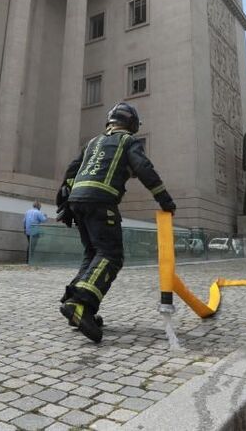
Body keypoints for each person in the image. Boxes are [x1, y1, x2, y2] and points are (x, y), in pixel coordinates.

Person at [56, 102, 176, 343]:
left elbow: (71, 171)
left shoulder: (92, 142)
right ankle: (80, 302)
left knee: (93, 253)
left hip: (78, 202)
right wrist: (165, 200)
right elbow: (143, 168)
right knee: (111, 255)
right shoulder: (128, 141)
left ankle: (79, 309)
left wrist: (65, 202)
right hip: (101, 202)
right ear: (131, 123)